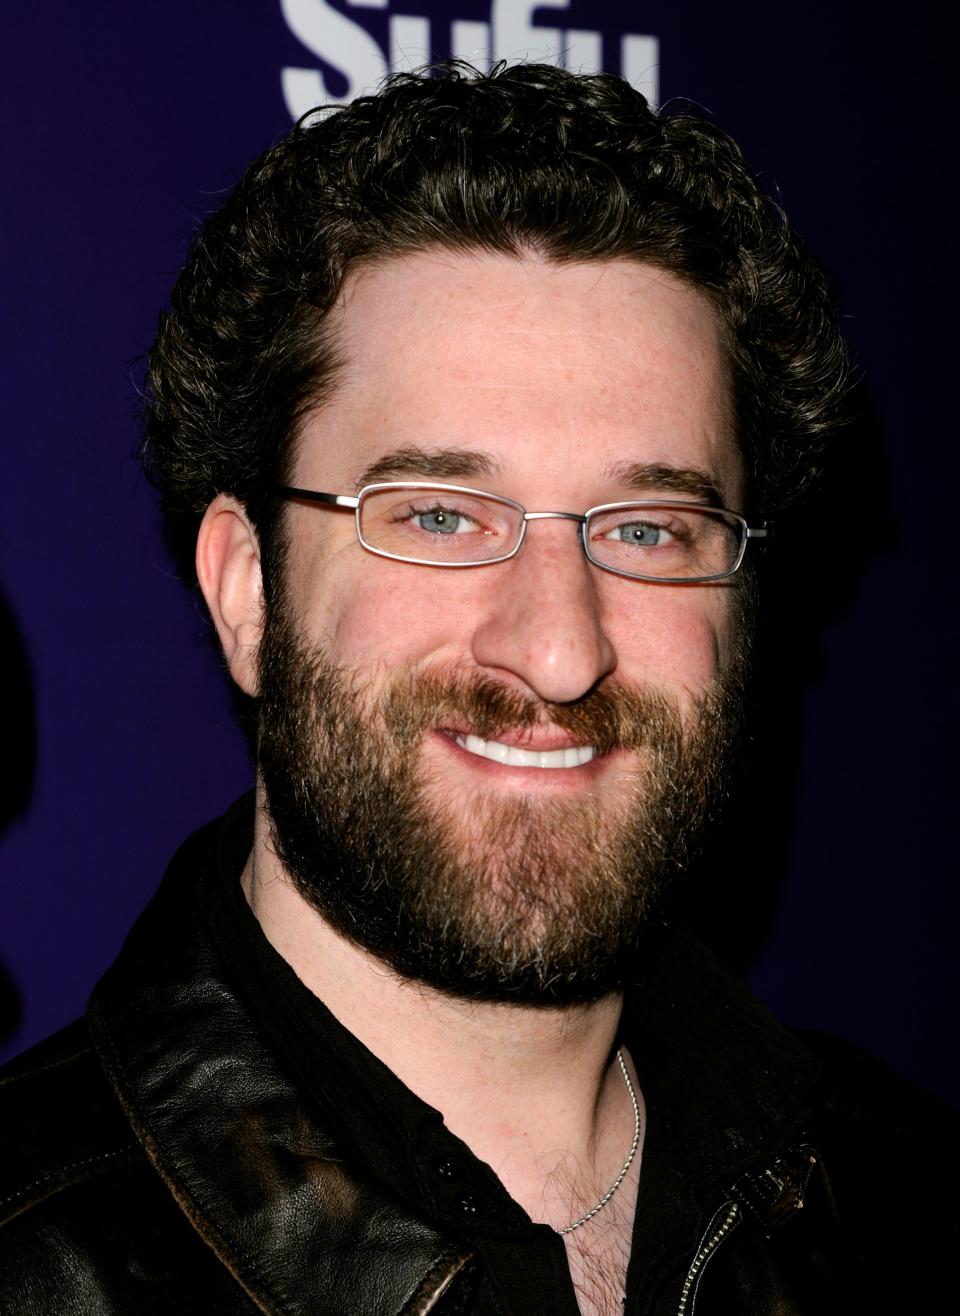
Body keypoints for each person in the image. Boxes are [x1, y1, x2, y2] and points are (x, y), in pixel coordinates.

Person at [0, 62, 954, 1315]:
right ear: (248, 591)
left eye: (650, 527)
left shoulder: (911, 1195)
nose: (561, 650)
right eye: (442, 515)